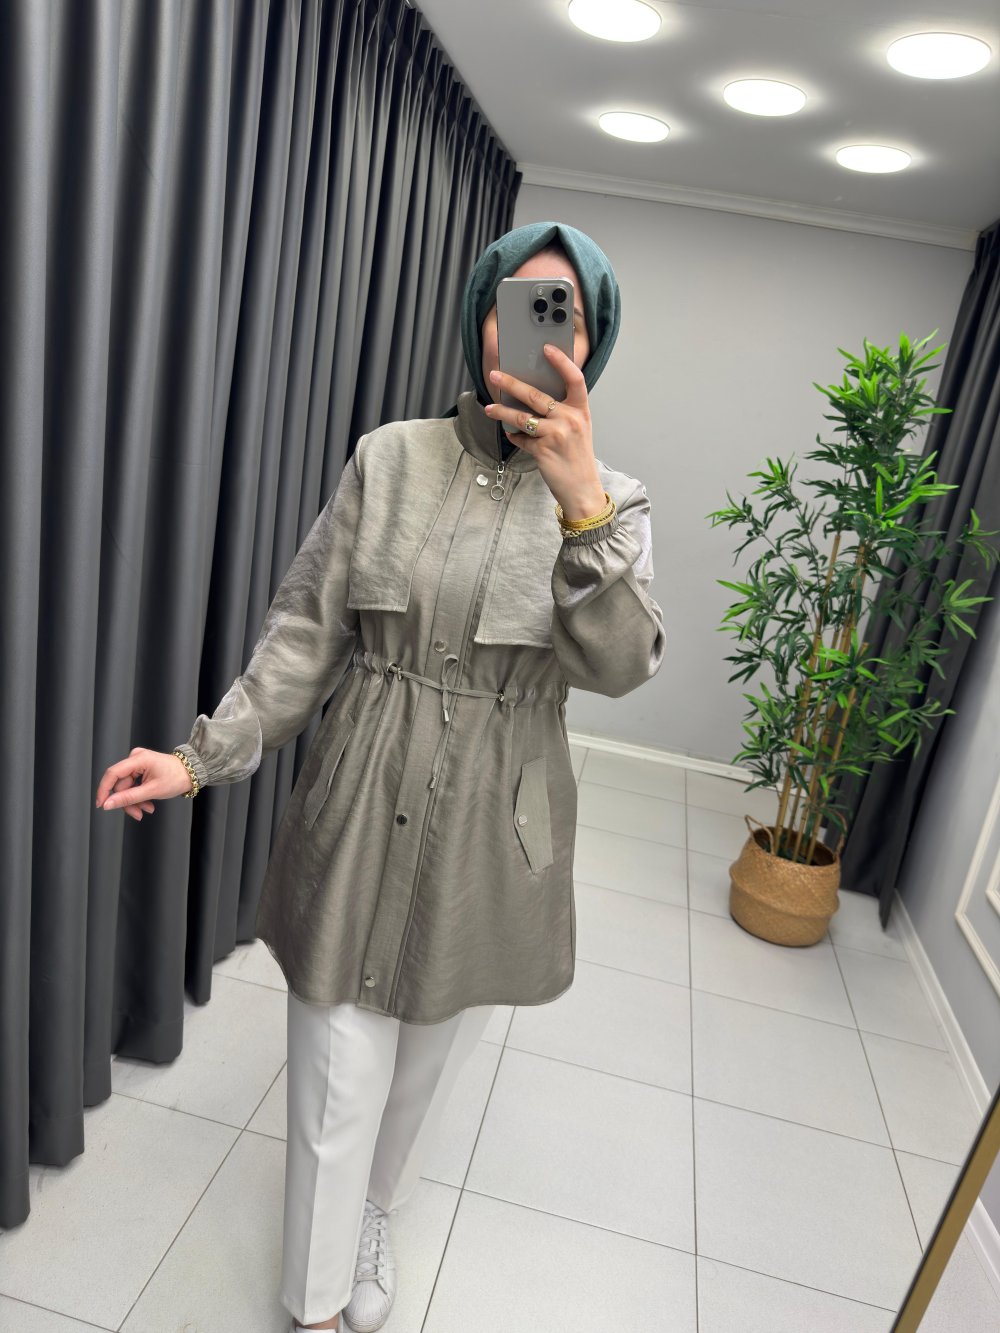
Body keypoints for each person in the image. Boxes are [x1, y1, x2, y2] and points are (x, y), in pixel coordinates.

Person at [94, 221, 666, 1332]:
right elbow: (306, 632)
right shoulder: (390, 457)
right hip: (364, 792)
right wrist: (199, 755)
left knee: (424, 1065)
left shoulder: (616, 499)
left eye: (565, 316)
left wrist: (582, 506)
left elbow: (621, 665)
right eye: (516, 303)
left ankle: (373, 1211)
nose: (537, 333)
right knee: (334, 1070)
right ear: (481, 317)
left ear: (590, 346)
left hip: (497, 820)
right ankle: (312, 1305)